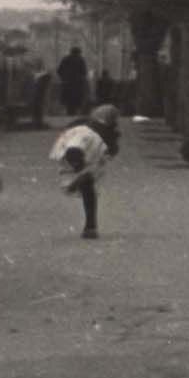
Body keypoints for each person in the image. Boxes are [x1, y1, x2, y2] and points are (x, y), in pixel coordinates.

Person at [51, 104, 121, 239]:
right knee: (87, 184)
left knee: (85, 180)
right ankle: (90, 226)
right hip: (80, 152)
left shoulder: (84, 129)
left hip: (74, 150)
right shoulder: (92, 132)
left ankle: (77, 177)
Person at [56, 46, 90, 122]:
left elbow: (59, 71)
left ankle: (70, 113)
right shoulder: (80, 60)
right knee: (76, 100)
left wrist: (63, 78)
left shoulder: (65, 59)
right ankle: (74, 114)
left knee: (68, 100)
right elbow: (84, 72)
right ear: (78, 52)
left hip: (67, 83)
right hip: (77, 84)